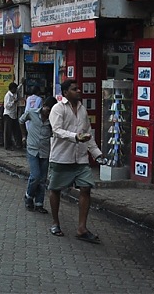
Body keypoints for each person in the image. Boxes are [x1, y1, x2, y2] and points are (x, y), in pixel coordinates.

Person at [47, 79, 106, 242]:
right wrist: (75, 137)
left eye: (78, 88)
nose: (79, 91)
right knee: (55, 189)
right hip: (61, 156)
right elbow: (56, 130)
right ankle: (55, 222)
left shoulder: (82, 110)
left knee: (86, 187)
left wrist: (96, 153)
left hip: (80, 158)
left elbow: (88, 133)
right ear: (65, 93)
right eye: (74, 89)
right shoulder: (58, 109)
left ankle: (82, 228)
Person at [19, 96, 55, 213]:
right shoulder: (32, 113)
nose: (48, 112)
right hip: (32, 148)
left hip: (45, 151)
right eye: (47, 109)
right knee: (35, 175)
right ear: (43, 106)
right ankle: (28, 196)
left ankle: (39, 203)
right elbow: (21, 121)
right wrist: (24, 136)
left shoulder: (53, 120)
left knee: (43, 179)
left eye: (51, 111)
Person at [3, 82, 22, 150]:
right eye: (15, 89)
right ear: (12, 89)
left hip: (14, 114)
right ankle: (8, 146)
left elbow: (19, 89)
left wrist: (21, 84)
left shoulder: (15, 94)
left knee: (16, 130)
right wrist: (13, 102)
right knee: (8, 131)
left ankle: (17, 144)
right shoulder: (8, 95)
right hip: (8, 114)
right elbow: (6, 106)